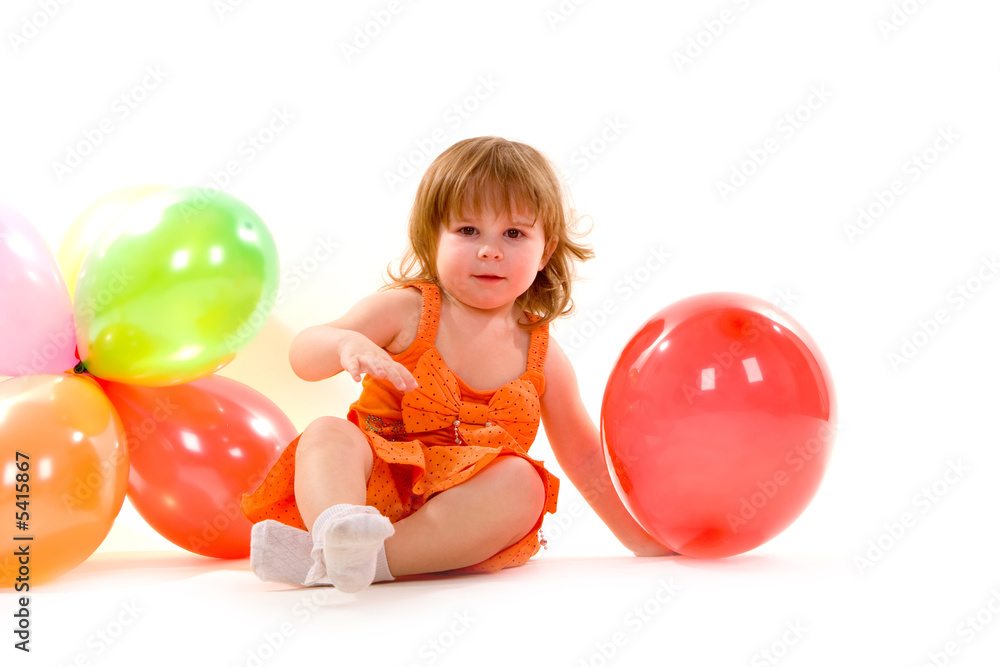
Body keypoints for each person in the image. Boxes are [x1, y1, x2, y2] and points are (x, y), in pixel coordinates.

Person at [241, 136, 673, 593]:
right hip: (372, 491)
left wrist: (639, 539)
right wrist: (345, 343)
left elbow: (584, 456)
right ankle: (340, 531)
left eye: (514, 234)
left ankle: (354, 562)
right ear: (433, 238)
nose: (490, 250)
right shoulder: (407, 311)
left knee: (525, 483)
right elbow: (302, 355)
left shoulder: (543, 356)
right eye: (468, 230)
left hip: (459, 520)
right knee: (327, 433)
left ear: (545, 252)